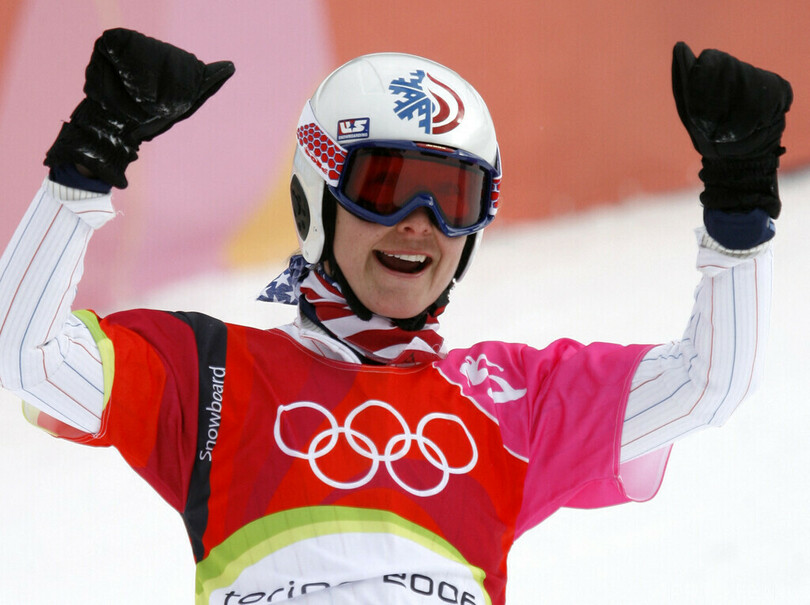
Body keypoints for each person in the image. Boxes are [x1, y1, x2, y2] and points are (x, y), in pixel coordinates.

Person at [0, 28, 792, 605]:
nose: (420, 224)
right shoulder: (209, 373)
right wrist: (90, 156)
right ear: (316, 197)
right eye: (386, 188)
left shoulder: (515, 397)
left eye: (452, 198)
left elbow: (709, 381)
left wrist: (740, 201)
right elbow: (25, 351)